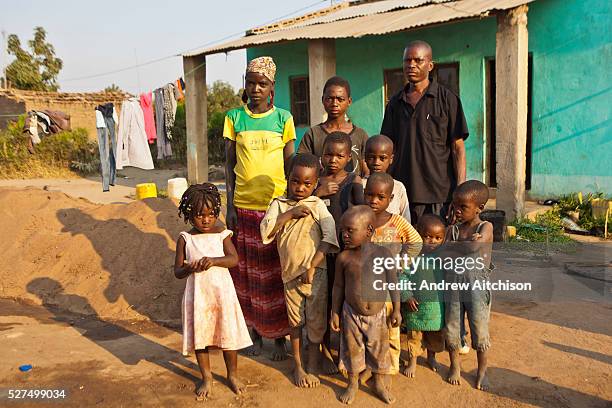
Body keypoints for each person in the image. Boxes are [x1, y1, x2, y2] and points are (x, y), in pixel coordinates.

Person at [224, 56, 295, 360]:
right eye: (250, 82)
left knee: (276, 274)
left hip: (276, 210)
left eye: (261, 84)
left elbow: (291, 165)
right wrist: (229, 207)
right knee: (248, 274)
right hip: (243, 208)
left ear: (272, 88)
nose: (255, 89)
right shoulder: (234, 118)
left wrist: (292, 204)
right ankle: (252, 330)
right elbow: (228, 167)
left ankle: (278, 336)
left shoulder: (284, 118)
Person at [260, 153, 339, 388]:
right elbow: (266, 231)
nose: (300, 188)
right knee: (295, 324)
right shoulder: (278, 205)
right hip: (290, 276)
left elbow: (329, 237)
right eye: (295, 181)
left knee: (315, 323)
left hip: (317, 275)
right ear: (288, 179)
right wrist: (289, 214)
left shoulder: (317, 206)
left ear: (316, 184)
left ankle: (313, 364)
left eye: (307, 184)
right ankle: (298, 366)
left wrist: (313, 266)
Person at [174, 183, 252, 400]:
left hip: (222, 294)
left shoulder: (222, 234)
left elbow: (234, 259)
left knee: (228, 335)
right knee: (201, 336)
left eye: (211, 214)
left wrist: (214, 261)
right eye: (199, 215)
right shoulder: (185, 238)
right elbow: (178, 271)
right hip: (198, 297)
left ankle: (232, 375)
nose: (206, 220)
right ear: (189, 216)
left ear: (217, 213)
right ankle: (206, 377)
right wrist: (190, 267)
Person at [381, 40, 468, 226]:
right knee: (406, 249)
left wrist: (459, 191)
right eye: (407, 60)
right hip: (403, 193)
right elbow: (388, 149)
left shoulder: (447, 100)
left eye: (417, 60)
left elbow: (457, 148)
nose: (411, 65)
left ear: (430, 65)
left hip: (439, 194)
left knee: (437, 249)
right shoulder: (395, 104)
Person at [330, 206, 400, 405]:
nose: (344, 235)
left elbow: (393, 283)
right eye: (343, 230)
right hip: (351, 313)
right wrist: (334, 312)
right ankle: (352, 383)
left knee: (379, 350)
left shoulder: (384, 255)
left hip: (378, 315)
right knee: (352, 350)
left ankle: (378, 383)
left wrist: (396, 309)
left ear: (369, 231)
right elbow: (337, 286)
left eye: (350, 231)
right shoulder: (344, 258)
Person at [363, 172, 422, 380]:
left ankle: (390, 366)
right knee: (370, 328)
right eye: (369, 195)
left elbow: (416, 242)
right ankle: (370, 365)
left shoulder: (397, 222)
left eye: (380, 197)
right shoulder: (360, 218)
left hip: (390, 288)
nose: (374, 200)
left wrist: (401, 263)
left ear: (390, 199)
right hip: (366, 287)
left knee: (390, 326)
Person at [314, 131, 364, 372]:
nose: (333, 160)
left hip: (345, 253)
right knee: (322, 300)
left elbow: (363, 213)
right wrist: (317, 193)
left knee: (344, 299)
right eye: (328, 155)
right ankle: (322, 348)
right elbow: (299, 203)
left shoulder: (352, 181)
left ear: (348, 158)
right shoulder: (314, 180)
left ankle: (346, 349)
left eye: (339, 156)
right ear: (321, 156)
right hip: (320, 252)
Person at [444, 180, 494, 390]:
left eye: (463, 207)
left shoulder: (486, 227)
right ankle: (454, 365)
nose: (457, 210)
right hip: (453, 284)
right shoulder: (453, 230)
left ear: (479, 208)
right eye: (455, 205)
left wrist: (459, 246)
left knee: (479, 328)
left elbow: (474, 246)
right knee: (452, 325)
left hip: (476, 286)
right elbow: (445, 249)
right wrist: (461, 246)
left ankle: (481, 370)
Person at [399, 214, 447, 378]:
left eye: (437, 238)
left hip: (436, 307)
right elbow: (402, 276)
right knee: (415, 335)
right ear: (418, 233)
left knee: (434, 335)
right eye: (427, 236)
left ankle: (431, 358)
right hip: (416, 306)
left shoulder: (443, 258)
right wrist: (407, 296)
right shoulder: (411, 257)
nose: (432, 241)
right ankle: (412, 361)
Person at [298, 76, 368, 175]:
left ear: (349, 101)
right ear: (323, 100)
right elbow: (302, 166)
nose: (335, 103)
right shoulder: (313, 134)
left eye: (340, 99)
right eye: (330, 99)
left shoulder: (360, 135)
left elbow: (367, 169)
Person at [362, 134, 411, 222]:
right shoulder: (359, 184)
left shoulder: (398, 187)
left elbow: (406, 220)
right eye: (372, 157)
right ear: (365, 157)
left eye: (382, 158)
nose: (376, 162)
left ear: (391, 159)